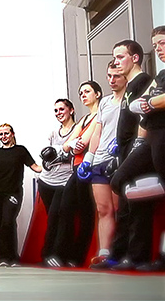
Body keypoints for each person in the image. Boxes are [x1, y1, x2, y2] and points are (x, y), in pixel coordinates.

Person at [108, 27, 165, 271]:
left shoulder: (144, 80)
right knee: (122, 184)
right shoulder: (159, 76)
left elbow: (148, 107)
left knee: (136, 196)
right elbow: (142, 113)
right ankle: (131, 255)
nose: (159, 49)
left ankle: (142, 255)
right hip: (147, 139)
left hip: (157, 135)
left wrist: (150, 103)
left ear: (135, 58)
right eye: (156, 45)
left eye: (162, 43)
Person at [49, 82, 101, 267]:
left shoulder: (99, 115)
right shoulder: (84, 119)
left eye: (87, 91)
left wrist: (74, 144)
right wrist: (72, 144)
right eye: (81, 93)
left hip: (90, 167)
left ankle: (75, 258)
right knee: (67, 209)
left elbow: (83, 141)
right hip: (77, 168)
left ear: (98, 93)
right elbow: (66, 145)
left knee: (86, 214)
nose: (83, 95)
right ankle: (63, 255)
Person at [82, 62, 127, 268]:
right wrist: (88, 158)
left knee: (119, 207)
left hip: (119, 158)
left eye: (116, 76)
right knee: (103, 209)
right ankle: (104, 251)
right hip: (100, 160)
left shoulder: (130, 99)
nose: (111, 80)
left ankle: (120, 252)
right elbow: (98, 132)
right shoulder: (106, 103)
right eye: (109, 76)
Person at [0, 124, 42, 266]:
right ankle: (2, 258)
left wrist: (51, 165)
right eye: (1, 134)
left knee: (8, 222)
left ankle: (13, 257)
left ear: (12, 134)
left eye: (6, 133)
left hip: (13, 192)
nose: (3, 136)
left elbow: (36, 167)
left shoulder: (20, 151)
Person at [38, 98, 76, 266]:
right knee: (52, 218)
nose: (59, 113)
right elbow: (46, 161)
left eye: (62, 109)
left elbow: (75, 152)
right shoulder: (54, 134)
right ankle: (49, 255)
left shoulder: (77, 130)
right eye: (56, 110)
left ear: (71, 110)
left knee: (60, 217)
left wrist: (60, 154)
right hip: (46, 182)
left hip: (65, 181)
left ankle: (54, 254)